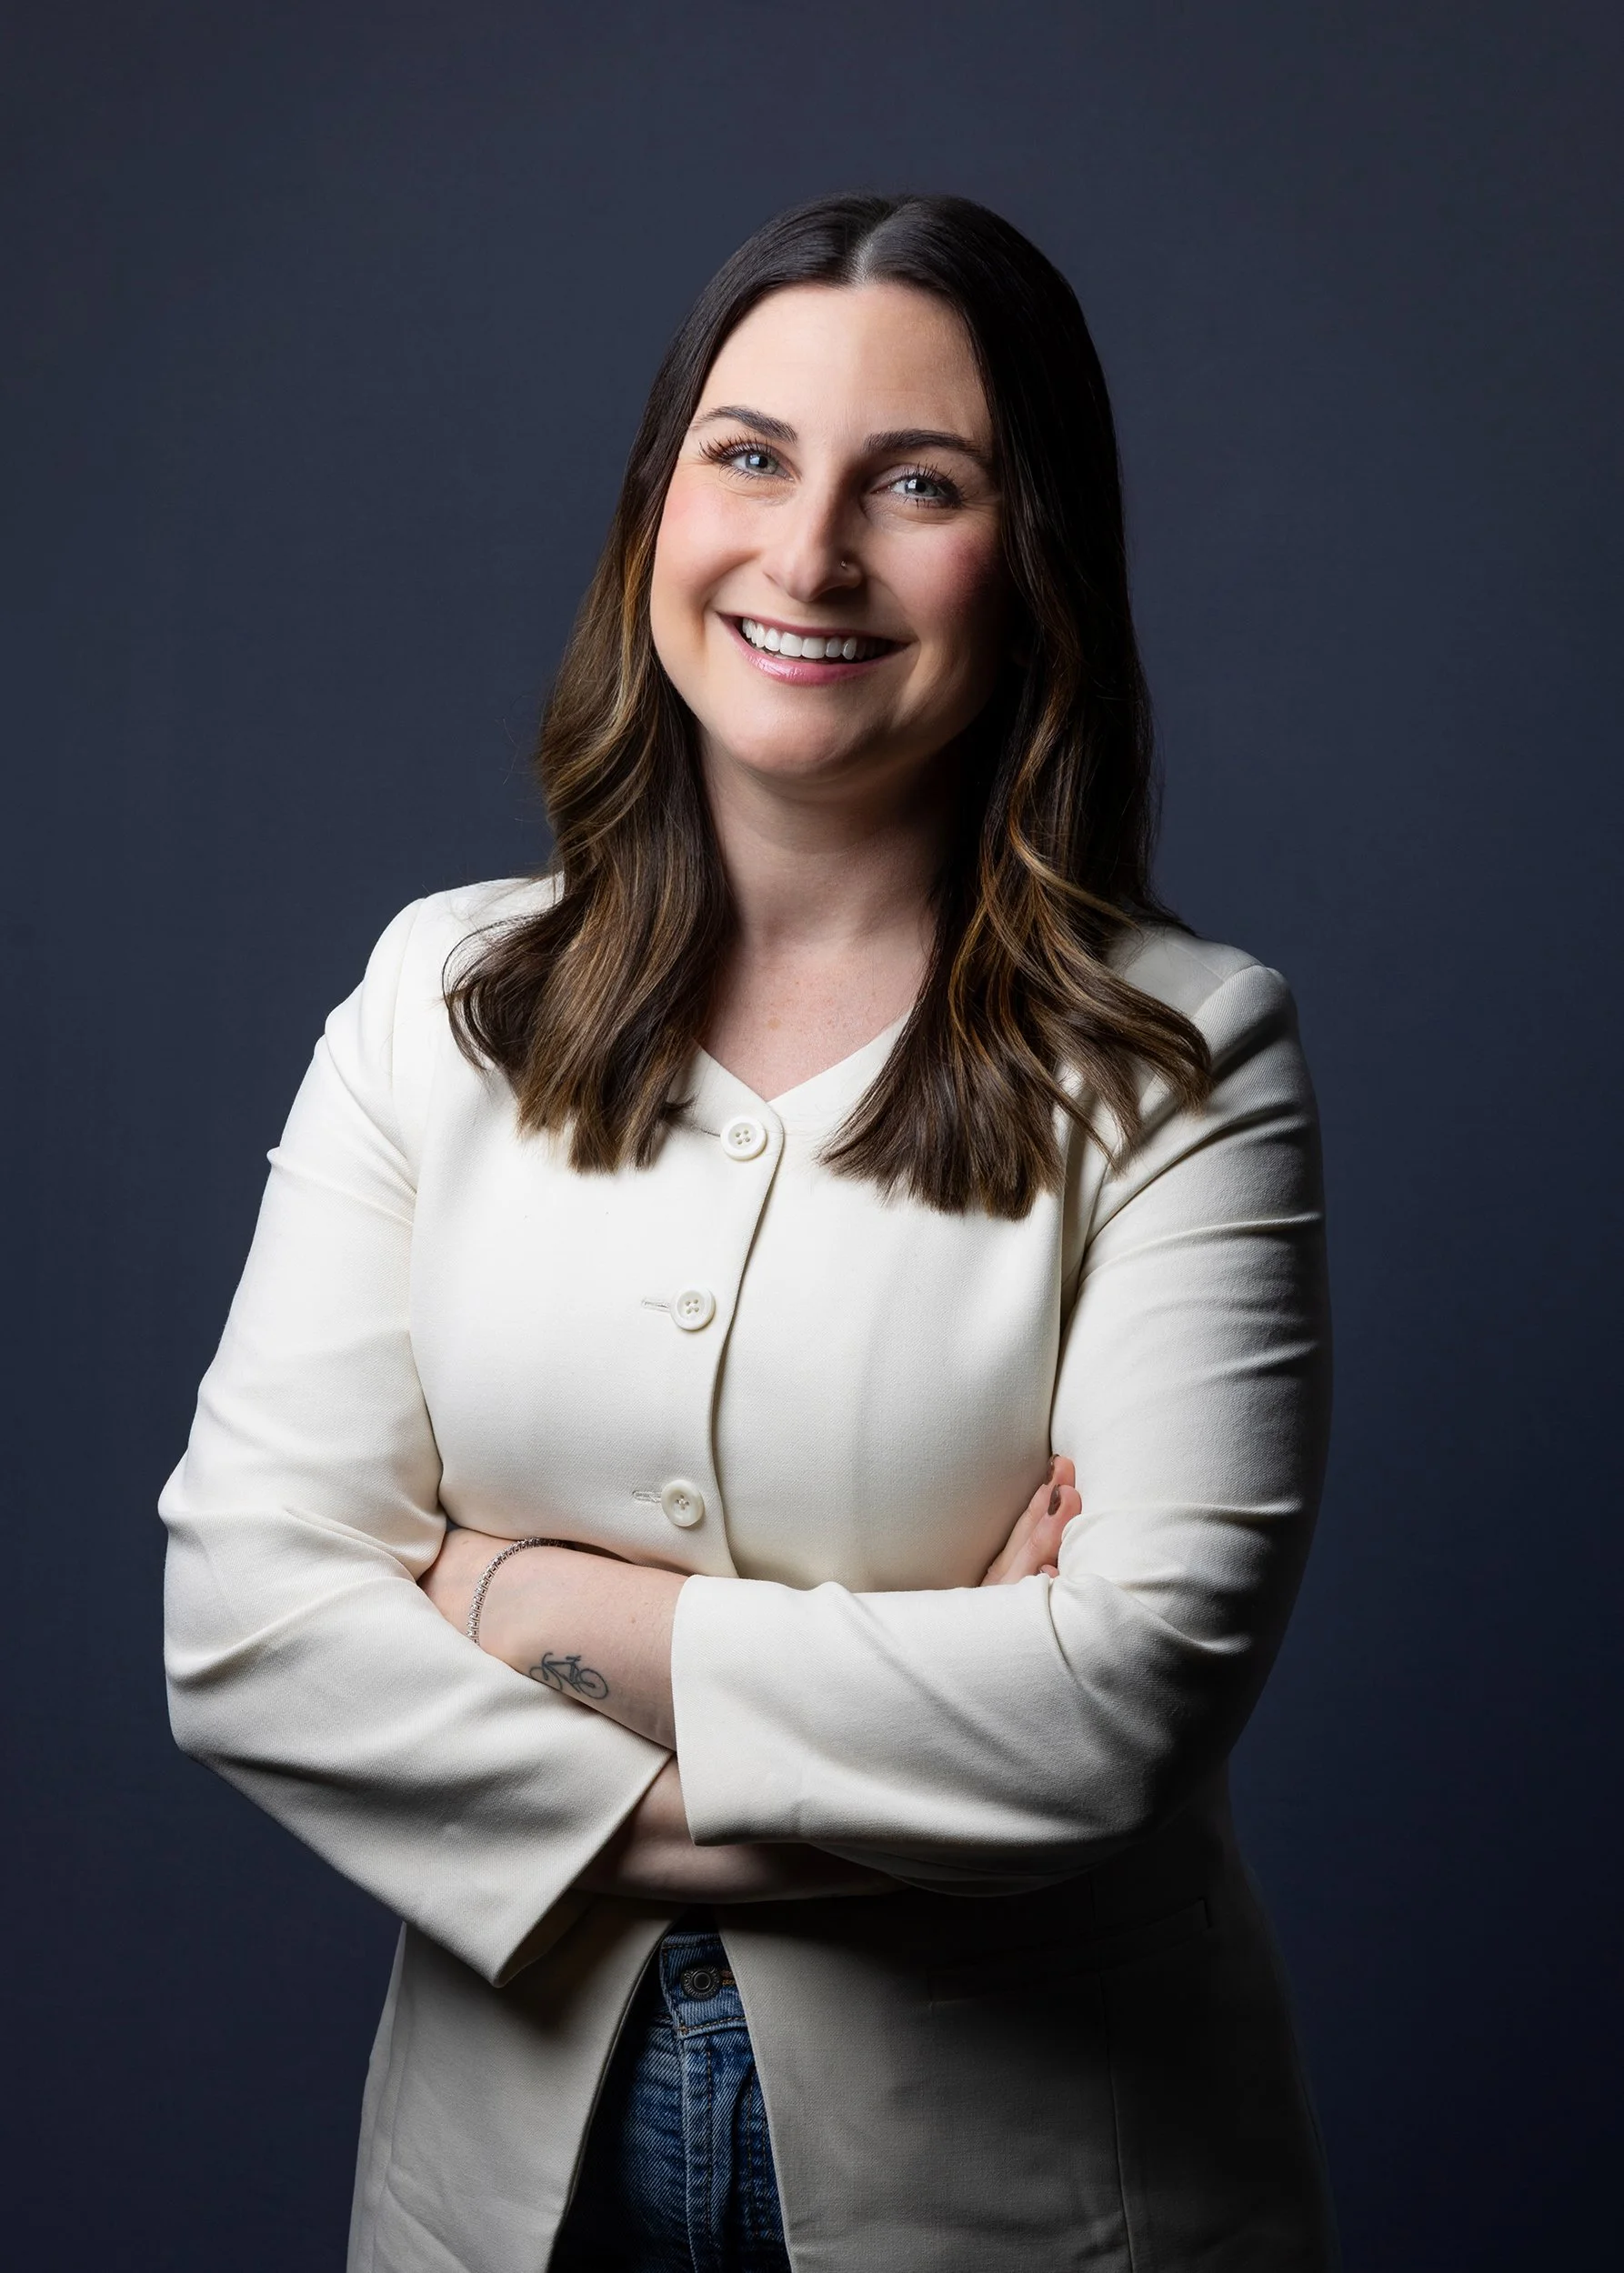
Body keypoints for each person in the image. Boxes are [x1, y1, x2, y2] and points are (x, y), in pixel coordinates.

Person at [160, 191, 1338, 2272]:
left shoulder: (1185, 1059)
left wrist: (504, 1596)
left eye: (919, 483)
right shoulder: (438, 1000)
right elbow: (245, 1623)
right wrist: (893, 1768)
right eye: (750, 455)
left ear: (1033, 557)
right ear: (656, 509)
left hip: (1031, 2205)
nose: (808, 555)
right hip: (497, 2198)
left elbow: (1118, 1703)